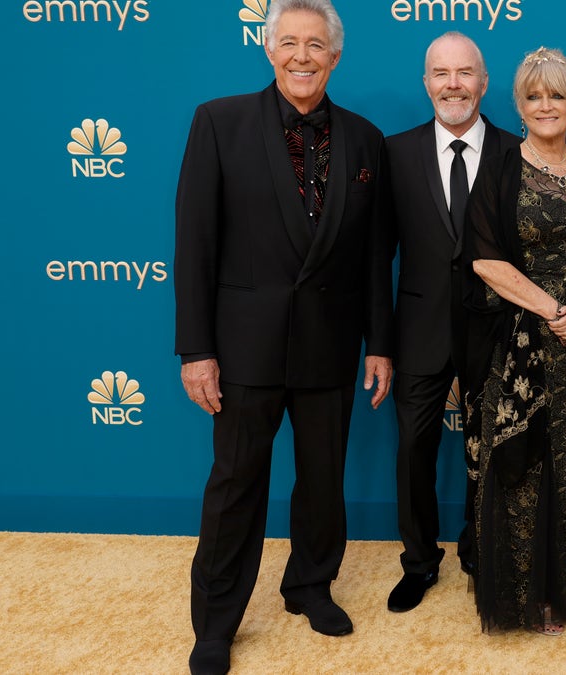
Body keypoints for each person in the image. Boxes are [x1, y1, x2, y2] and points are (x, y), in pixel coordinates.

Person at [173, 0, 392, 672]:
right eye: (289, 43)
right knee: (236, 482)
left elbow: (375, 254)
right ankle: (215, 622)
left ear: (335, 55)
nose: (302, 55)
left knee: (323, 480)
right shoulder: (219, 122)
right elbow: (194, 244)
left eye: (315, 44)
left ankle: (310, 585)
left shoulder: (365, 138)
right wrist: (197, 349)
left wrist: (379, 342)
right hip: (242, 349)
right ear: (268, 50)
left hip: (330, 344)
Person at [463, 46, 566, 636]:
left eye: (557, 95)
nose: (546, 105)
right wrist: (557, 311)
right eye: (535, 96)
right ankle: (530, 597)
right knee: (526, 469)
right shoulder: (501, 169)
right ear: (519, 105)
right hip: (525, 345)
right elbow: (484, 260)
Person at [382, 31, 520, 614]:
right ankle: (418, 562)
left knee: (491, 447)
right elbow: (374, 256)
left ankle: (478, 547)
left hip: (497, 327)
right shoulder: (393, 153)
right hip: (418, 328)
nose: (454, 84)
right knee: (414, 447)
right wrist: (379, 341)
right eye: (442, 73)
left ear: (484, 83)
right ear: (427, 83)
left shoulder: (519, 152)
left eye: (465, 73)